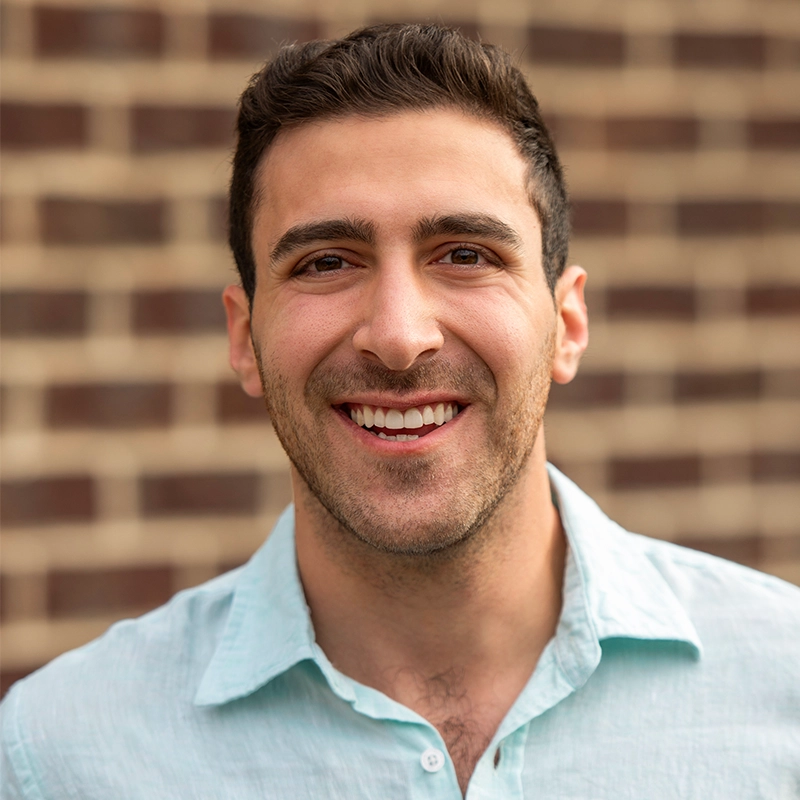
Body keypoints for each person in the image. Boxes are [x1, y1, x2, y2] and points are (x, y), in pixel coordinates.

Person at [2, 23, 798, 800]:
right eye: (326, 262)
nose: (398, 337)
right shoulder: (59, 755)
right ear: (245, 338)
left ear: (567, 325)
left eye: (464, 254)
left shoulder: (781, 687)